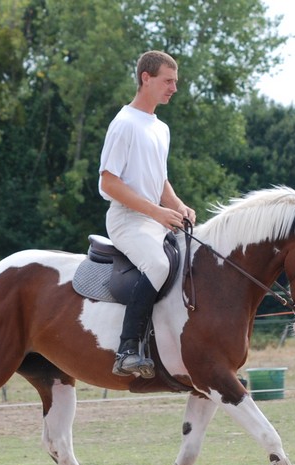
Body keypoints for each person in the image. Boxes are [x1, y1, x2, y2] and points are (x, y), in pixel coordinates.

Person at [98, 50, 196, 378]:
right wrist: (157, 211)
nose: (174, 88)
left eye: (175, 82)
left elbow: (160, 179)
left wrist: (178, 205)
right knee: (157, 264)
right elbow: (109, 182)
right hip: (127, 220)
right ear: (146, 78)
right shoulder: (124, 124)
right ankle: (127, 348)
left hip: (153, 219)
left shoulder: (160, 128)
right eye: (168, 81)